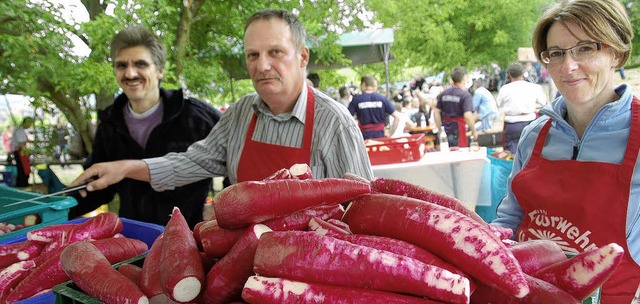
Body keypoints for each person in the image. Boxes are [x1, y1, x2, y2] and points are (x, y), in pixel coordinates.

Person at [71, 9, 373, 205]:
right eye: (252, 55)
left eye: (275, 52)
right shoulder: (242, 112)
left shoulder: (335, 123)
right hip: (245, 265)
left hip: (313, 271)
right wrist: (125, 167)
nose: (263, 65)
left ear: (303, 57)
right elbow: (193, 163)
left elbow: (366, 206)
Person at [491, 0, 638, 301]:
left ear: (617, 53)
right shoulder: (534, 136)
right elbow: (508, 221)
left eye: (585, 48)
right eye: (556, 53)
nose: (568, 67)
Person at [67, 25, 222, 228]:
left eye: (140, 64)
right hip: (135, 240)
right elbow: (98, 189)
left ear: (159, 70)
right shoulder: (110, 124)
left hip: (193, 239)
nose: (130, 73)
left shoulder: (198, 117)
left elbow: (237, 158)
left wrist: (222, 208)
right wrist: (55, 209)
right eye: (122, 66)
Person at [497, 62, 548, 153]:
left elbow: (499, 103)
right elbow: (544, 102)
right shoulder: (534, 87)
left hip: (512, 124)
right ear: (523, 73)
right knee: (531, 151)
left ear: (509, 75)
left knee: (511, 154)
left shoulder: (505, 89)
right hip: (530, 122)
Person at [434, 66, 477, 147]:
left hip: (445, 128)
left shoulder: (443, 94)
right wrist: (474, 130)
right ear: (464, 78)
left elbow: (436, 112)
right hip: (458, 130)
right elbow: (467, 115)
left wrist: (440, 128)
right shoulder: (465, 95)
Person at [348, 75, 400, 140]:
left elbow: (347, 118)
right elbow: (397, 117)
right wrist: (390, 134)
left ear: (363, 84)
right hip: (380, 136)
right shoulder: (383, 99)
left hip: (363, 138)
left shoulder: (356, 100)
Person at [11, 117, 33, 187]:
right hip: (20, 152)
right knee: (23, 171)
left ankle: (22, 185)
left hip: (21, 151)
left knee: (23, 171)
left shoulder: (21, 130)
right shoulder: (19, 130)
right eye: (29, 122)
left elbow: (26, 141)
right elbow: (21, 144)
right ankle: (22, 186)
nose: (30, 124)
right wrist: (28, 151)